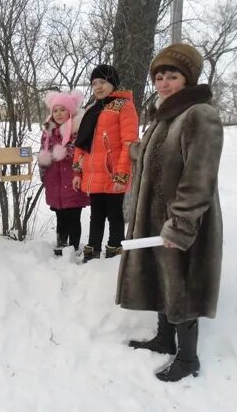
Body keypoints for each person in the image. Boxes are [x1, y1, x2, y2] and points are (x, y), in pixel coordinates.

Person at [116, 43, 223, 382]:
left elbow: (199, 176)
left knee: (183, 285)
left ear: (187, 78)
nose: (163, 83)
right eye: (159, 77)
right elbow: (158, 158)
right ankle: (165, 339)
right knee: (164, 279)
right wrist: (134, 151)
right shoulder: (165, 115)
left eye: (172, 76)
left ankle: (188, 358)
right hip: (156, 217)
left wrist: (180, 225)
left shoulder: (199, 114)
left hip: (184, 221)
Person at [72, 65, 139, 262]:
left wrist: (122, 174)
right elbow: (81, 144)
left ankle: (115, 249)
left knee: (114, 213)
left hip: (112, 173)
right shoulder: (93, 109)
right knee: (96, 214)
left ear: (112, 83)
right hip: (93, 173)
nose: (98, 87)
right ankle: (93, 248)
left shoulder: (124, 105)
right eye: (94, 83)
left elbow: (129, 143)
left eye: (102, 82)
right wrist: (77, 172)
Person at [38, 90, 90, 256]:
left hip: (73, 179)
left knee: (74, 215)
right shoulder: (49, 130)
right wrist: (43, 169)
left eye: (62, 109)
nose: (59, 114)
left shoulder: (78, 129)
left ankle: (74, 246)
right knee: (60, 215)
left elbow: (82, 152)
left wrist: (66, 152)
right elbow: (43, 149)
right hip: (55, 180)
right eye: (55, 110)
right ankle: (61, 244)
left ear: (70, 111)